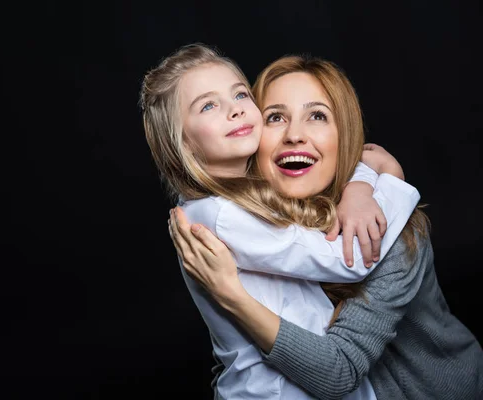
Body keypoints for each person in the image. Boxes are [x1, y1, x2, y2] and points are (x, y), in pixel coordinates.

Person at [169, 53, 483, 400]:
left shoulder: (395, 234)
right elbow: (237, 355)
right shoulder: (254, 222)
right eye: (275, 117)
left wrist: (231, 296)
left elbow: (337, 372)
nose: (294, 135)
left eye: (317, 116)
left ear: (344, 135)